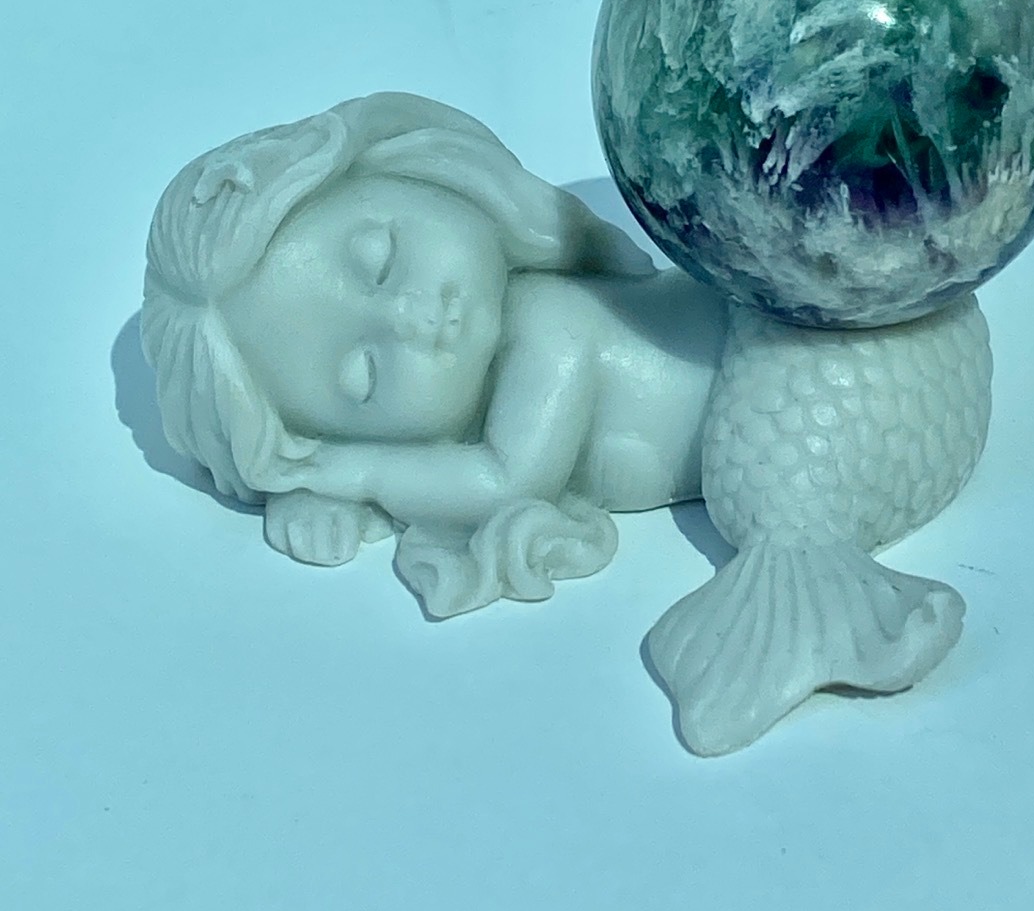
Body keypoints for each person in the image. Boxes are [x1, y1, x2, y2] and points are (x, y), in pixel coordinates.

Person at [142, 92, 727, 616]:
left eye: (379, 258)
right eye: (364, 377)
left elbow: (503, 481)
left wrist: (352, 473)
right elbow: (438, 481)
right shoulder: (485, 381)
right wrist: (316, 484)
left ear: (413, 172)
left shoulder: (553, 321)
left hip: (763, 361)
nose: (408, 320)